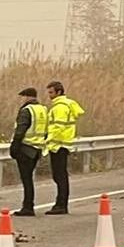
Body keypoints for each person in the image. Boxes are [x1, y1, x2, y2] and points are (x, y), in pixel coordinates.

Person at [45, 81, 85, 215]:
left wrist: (47, 140)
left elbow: (58, 127)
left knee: (59, 176)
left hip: (58, 145)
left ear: (59, 92)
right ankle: (61, 203)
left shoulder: (60, 107)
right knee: (61, 175)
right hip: (63, 144)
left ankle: (61, 204)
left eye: (51, 92)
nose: (49, 95)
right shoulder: (66, 105)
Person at [9, 86, 49, 217]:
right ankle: (28, 205)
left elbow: (20, 130)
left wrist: (14, 146)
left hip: (25, 148)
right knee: (29, 178)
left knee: (26, 179)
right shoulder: (43, 109)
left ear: (27, 97)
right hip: (37, 148)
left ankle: (28, 206)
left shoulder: (27, 110)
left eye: (23, 97)